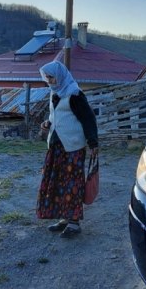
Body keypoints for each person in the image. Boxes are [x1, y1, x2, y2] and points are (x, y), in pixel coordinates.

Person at [36, 60, 98, 238]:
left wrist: (93, 143)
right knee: (57, 182)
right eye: (46, 77)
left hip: (72, 147)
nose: (48, 80)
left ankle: (74, 223)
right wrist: (48, 123)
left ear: (60, 76)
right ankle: (63, 218)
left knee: (72, 183)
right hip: (56, 145)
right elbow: (55, 116)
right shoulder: (54, 93)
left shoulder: (74, 94)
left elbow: (88, 119)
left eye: (51, 77)